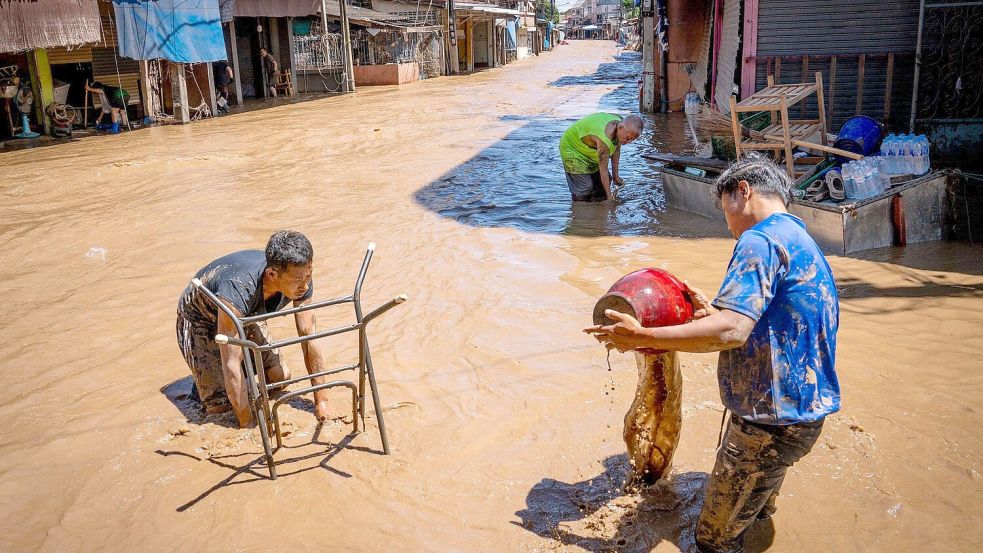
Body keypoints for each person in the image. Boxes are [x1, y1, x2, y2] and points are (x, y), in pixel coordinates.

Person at [586, 155, 840, 553]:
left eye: (725, 211)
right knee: (756, 507)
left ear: (744, 191)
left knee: (713, 540)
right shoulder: (799, 238)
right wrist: (714, 313)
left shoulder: (759, 239)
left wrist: (641, 336)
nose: (727, 224)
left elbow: (732, 332)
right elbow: (766, 320)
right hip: (802, 412)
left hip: (768, 422)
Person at [176, 231, 332, 427]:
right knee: (220, 408)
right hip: (200, 319)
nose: (305, 285)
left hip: (247, 313)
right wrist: (248, 424)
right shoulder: (238, 288)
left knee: (279, 377)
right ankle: (207, 388)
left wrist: (322, 400)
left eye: (309, 275)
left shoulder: (301, 277)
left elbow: (309, 335)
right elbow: (231, 360)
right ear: (272, 275)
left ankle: (224, 382)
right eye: (298, 280)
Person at [559, 113, 643, 202]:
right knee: (585, 188)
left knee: (603, 185)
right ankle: (579, 208)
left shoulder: (620, 123)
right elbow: (603, 170)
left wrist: (615, 176)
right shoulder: (604, 140)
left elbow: (616, 148)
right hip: (571, 148)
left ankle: (597, 207)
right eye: (628, 138)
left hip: (590, 149)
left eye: (633, 139)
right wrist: (609, 198)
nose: (629, 142)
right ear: (621, 127)